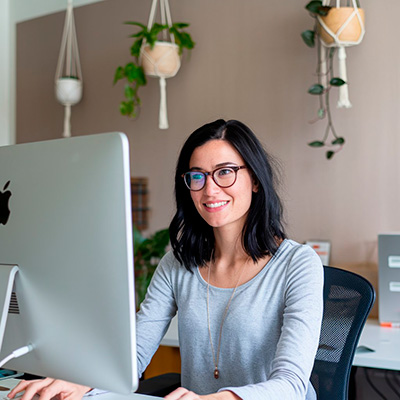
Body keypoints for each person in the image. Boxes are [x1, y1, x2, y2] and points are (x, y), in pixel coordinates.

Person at [8, 119, 323, 400]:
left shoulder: (298, 263)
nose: (210, 189)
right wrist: (82, 383)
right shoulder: (178, 264)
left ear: (254, 180)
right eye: (197, 176)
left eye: (225, 172)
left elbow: (291, 384)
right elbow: (132, 354)